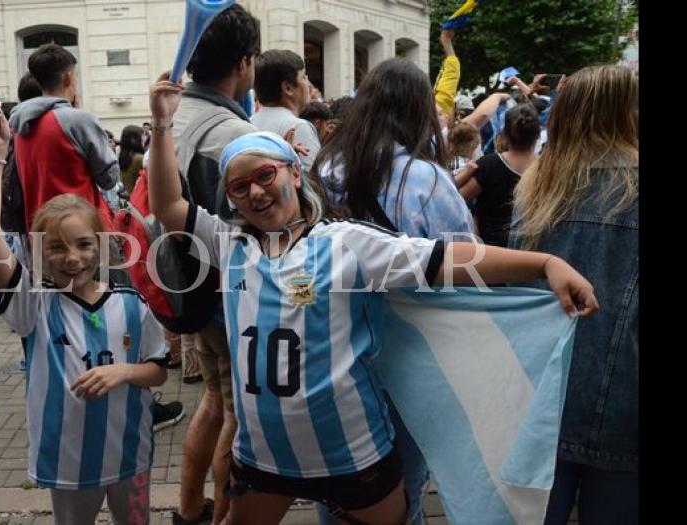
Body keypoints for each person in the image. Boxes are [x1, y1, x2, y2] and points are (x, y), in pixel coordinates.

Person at [147, 72, 598, 525]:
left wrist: (542, 264)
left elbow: (445, 260)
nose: (255, 192)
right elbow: (168, 206)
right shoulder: (231, 245)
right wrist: (162, 125)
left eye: (265, 175)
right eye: (239, 188)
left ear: (293, 172)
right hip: (264, 460)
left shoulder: (347, 243)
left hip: (354, 458)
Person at [0, 101, 168, 525]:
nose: (72, 257)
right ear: (37, 254)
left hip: (131, 456)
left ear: (101, 245)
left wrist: (124, 373)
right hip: (69, 465)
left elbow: (158, 370)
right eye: (56, 247)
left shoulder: (133, 305)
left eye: (83, 244)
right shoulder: (33, 305)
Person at [312, 57, 476, 525]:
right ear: (418, 111)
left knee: (340, 483)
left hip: (336, 353)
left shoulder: (323, 171)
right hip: (410, 357)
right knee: (403, 488)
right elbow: (464, 265)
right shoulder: (425, 180)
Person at [510, 65, 639, 525]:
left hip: (538, 398)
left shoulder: (536, 190)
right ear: (628, 114)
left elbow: (513, 292)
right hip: (625, 406)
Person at [167, 5, 261, 523]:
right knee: (237, 416)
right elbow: (247, 228)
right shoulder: (226, 132)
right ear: (244, 62)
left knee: (212, 400)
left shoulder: (177, 114)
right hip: (225, 297)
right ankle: (225, 516)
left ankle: (187, 508)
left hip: (188, 289)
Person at [8, 42, 119, 233]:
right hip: (82, 233)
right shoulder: (79, 120)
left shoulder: (19, 126)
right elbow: (109, 178)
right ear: (68, 78)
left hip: (40, 233)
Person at [459, 103, 541, 247]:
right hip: (533, 250)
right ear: (538, 135)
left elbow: (459, 198)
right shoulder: (547, 168)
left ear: (505, 134)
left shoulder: (489, 165)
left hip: (491, 252)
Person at [250, 49, 319, 174]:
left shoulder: (249, 122)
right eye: (303, 77)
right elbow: (313, 185)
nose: (308, 84)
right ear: (288, 88)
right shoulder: (299, 127)